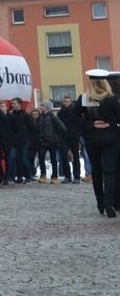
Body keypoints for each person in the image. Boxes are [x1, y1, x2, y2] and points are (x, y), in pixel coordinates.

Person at [81, 69, 120, 216]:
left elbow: (74, 119)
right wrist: (110, 124)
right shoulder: (111, 99)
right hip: (111, 138)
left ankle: (100, 203)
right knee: (110, 171)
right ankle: (109, 204)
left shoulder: (84, 98)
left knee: (96, 171)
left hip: (92, 139)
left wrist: (91, 125)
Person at [34, 100, 66, 184]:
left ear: (47, 107)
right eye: (41, 105)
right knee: (41, 158)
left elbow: (62, 128)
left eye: (43, 106)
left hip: (52, 142)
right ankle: (43, 175)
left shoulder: (52, 116)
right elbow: (36, 129)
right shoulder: (40, 117)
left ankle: (54, 176)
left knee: (53, 159)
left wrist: (57, 138)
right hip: (42, 142)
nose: (41, 107)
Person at [57, 95, 84, 183]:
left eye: (67, 101)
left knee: (75, 157)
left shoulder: (75, 111)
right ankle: (67, 176)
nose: (65, 103)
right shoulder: (60, 112)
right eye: (64, 101)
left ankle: (77, 177)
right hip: (64, 137)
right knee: (64, 156)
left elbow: (80, 123)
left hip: (74, 136)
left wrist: (79, 134)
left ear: (71, 102)